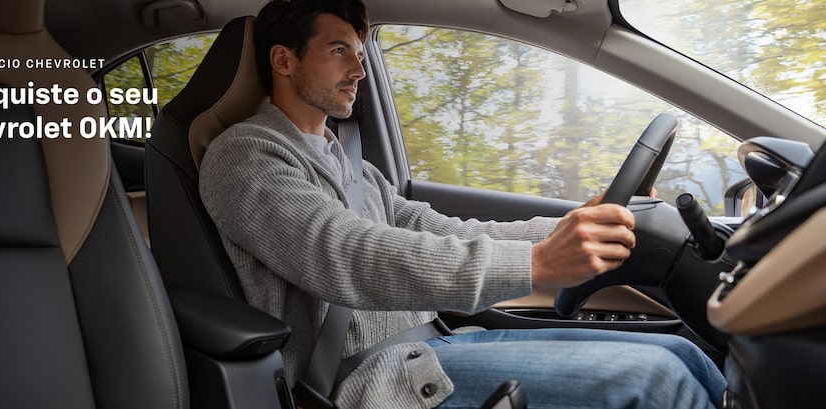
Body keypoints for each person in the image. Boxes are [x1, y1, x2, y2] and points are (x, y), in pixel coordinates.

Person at [199, 0, 727, 407]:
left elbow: (442, 229)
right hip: (367, 381)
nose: (359, 70)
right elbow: (352, 256)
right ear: (283, 60)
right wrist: (538, 264)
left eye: (360, 53)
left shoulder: (355, 167)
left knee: (684, 353)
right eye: (339, 50)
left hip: (436, 346)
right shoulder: (245, 158)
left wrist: (570, 225)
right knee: (658, 380)